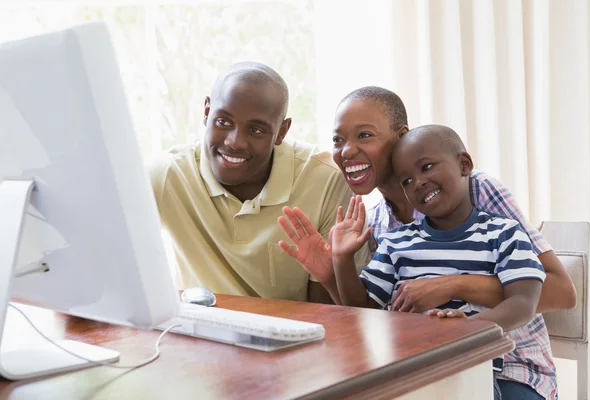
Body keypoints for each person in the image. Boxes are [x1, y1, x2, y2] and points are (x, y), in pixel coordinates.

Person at [331, 125, 554, 400]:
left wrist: (465, 332)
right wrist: (341, 259)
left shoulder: (504, 233)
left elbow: (523, 304)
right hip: (410, 374)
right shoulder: (396, 242)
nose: (418, 183)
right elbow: (363, 310)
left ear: (464, 164)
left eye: (426, 168)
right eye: (406, 181)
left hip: (478, 371)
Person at [148, 61, 370, 304]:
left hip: (290, 336)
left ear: (282, 132)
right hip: (199, 333)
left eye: (255, 130)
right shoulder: (167, 174)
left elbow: (335, 313)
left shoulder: (326, 179)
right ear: (206, 112)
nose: (235, 142)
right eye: (223, 122)